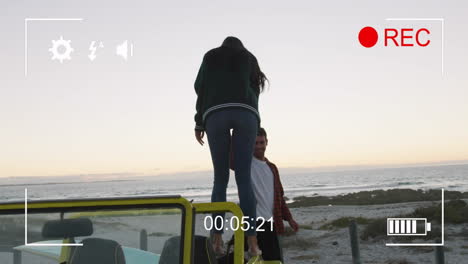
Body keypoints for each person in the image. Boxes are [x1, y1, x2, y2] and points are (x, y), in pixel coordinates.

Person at [194, 36, 267, 257]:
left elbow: (200, 88)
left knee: (221, 178)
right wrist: (255, 121)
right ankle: (253, 244)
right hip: (247, 113)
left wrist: (199, 122)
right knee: (243, 178)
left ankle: (217, 241)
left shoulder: (211, 56)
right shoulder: (250, 58)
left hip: (216, 113)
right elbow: (256, 91)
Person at [231, 127, 299, 262]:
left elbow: (280, 197)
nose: (259, 146)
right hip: (252, 222)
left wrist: (290, 219)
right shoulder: (245, 164)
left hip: (272, 223)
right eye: (255, 143)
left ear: (267, 142)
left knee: (274, 260)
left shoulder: (272, 168)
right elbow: (231, 156)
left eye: (261, 143)